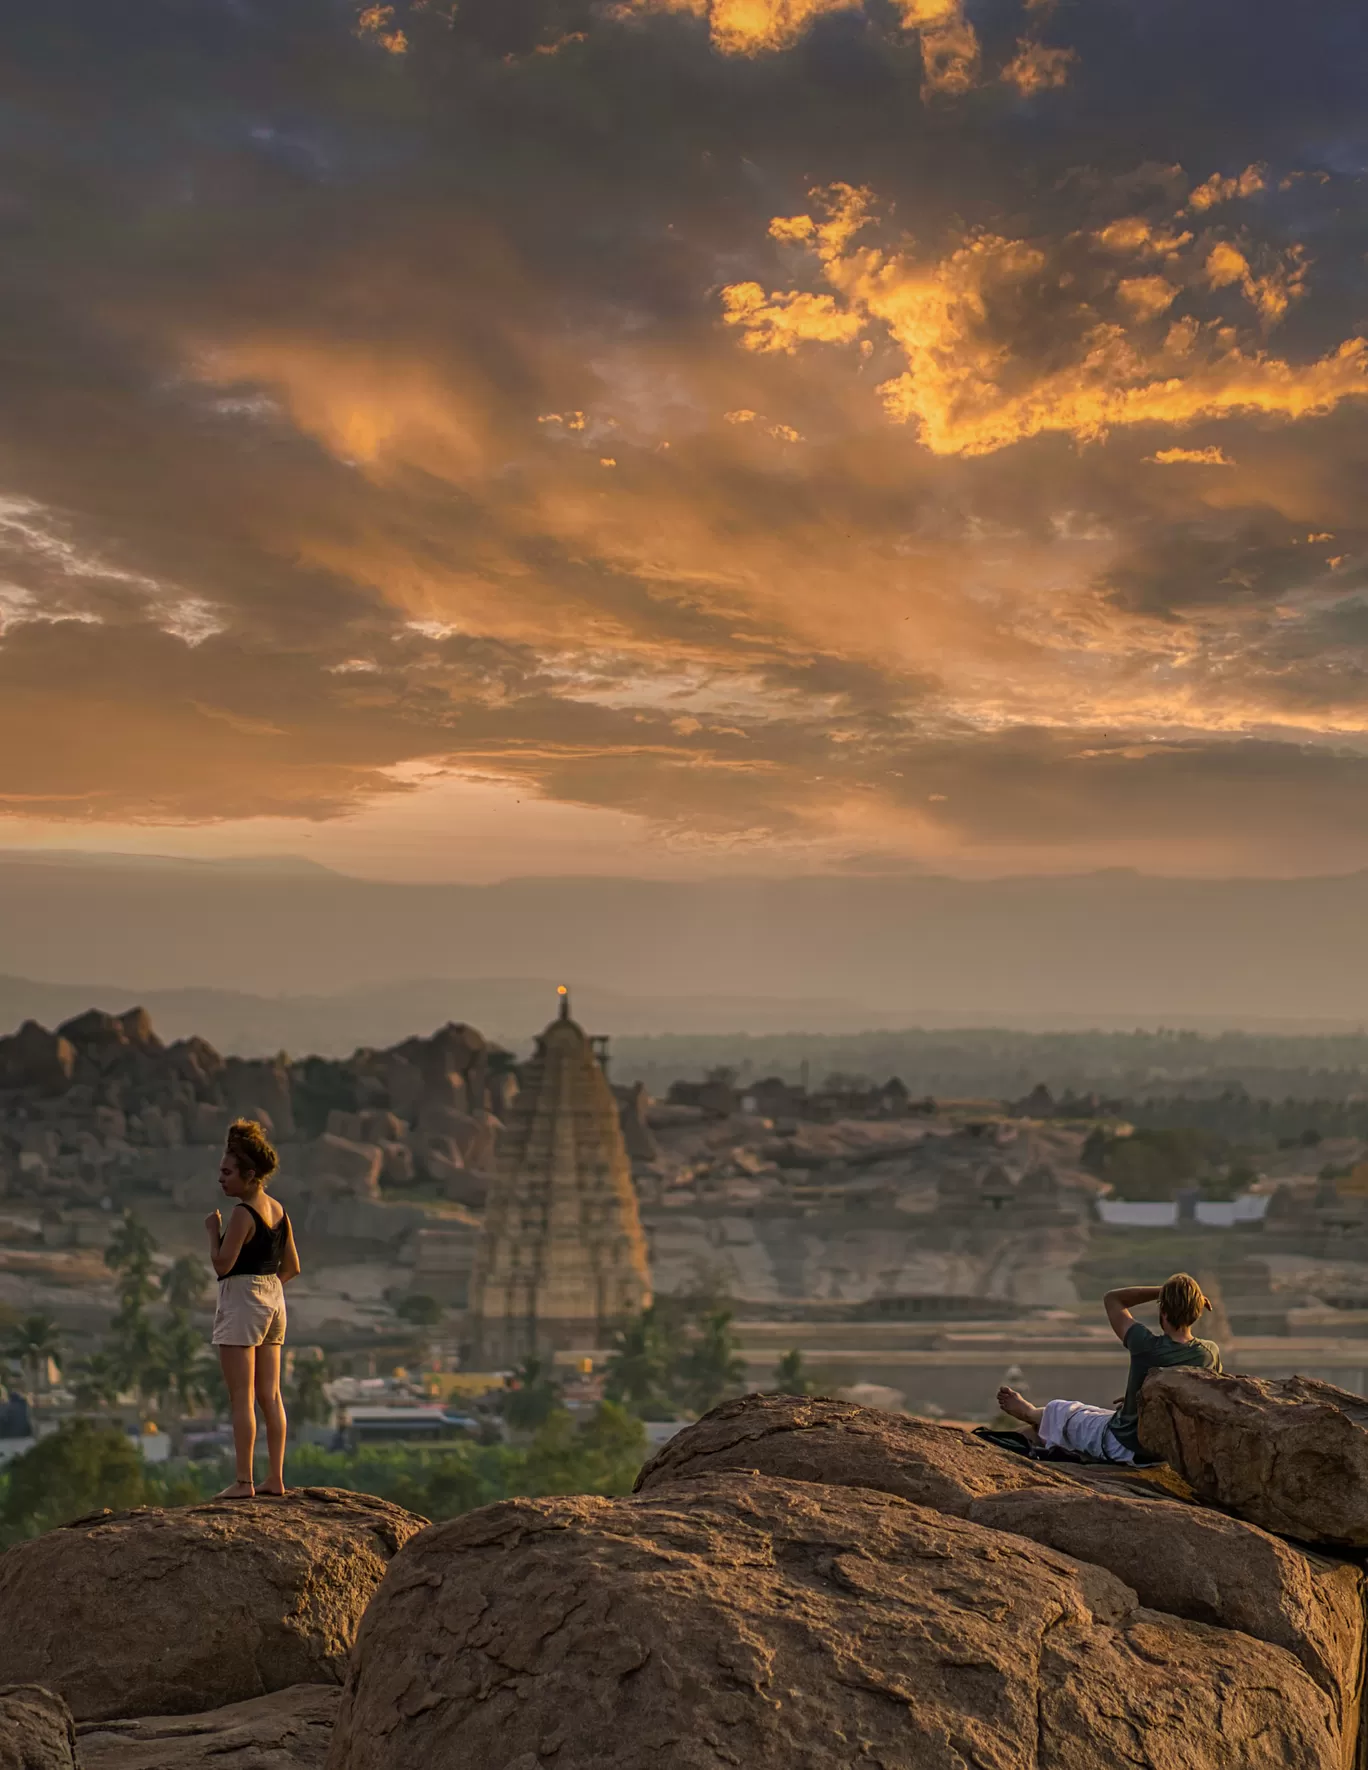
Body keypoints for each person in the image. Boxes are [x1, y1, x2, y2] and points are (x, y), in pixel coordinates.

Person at [996, 1272, 1222, 1465]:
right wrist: (1140, 1399)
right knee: (1090, 1412)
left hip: (1127, 1445)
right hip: (1170, 1450)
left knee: (1062, 1409)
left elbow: (1113, 1299)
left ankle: (1029, 1413)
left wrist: (1164, 1291)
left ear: (1163, 1312)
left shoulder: (1145, 1345)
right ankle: (1038, 1421)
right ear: (1197, 1313)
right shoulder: (1209, 1353)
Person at [205, 1118, 301, 1498]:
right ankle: (275, 1479)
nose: (221, 1179)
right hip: (274, 1300)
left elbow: (221, 1265)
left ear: (249, 1175)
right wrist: (268, 1289)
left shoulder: (243, 1213)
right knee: (270, 1395)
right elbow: (292, 1267)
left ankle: (244, 1482)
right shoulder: (278, 1210)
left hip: (243, 1299)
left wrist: (213, 1234)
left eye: (227, 1173)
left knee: (242, 1396)